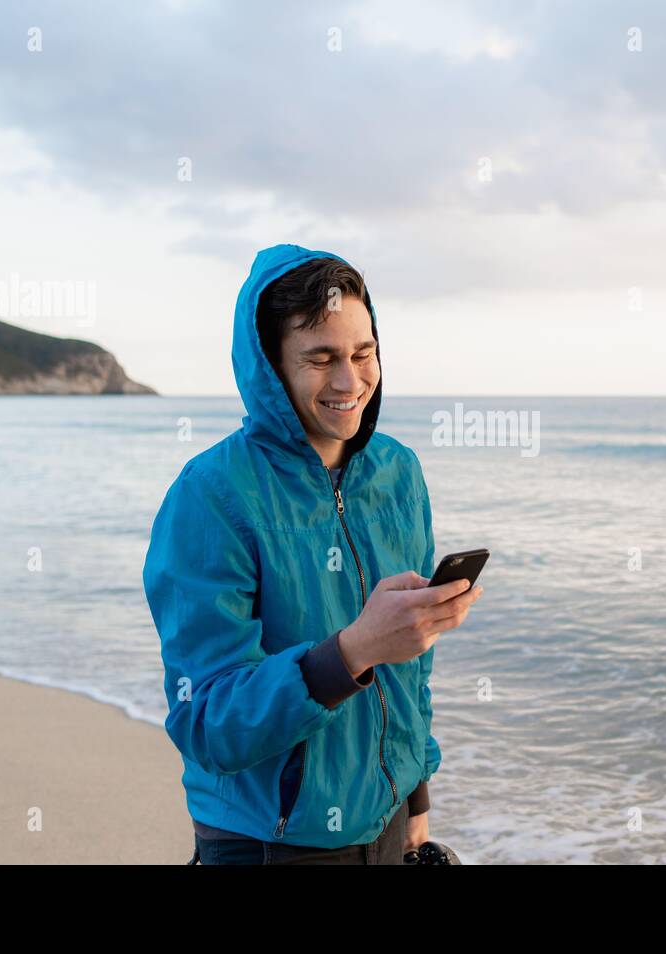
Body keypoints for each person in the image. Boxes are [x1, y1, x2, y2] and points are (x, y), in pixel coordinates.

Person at [143, 244, 483, 864]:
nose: (350, 381)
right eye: (321, 358)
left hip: (384, 823)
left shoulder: (398, 473)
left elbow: (411, 674)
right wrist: (355, 650)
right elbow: (206, 722)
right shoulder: (210, 496)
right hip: (269, 841)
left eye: (362, 353)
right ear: (272, 366)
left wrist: (416, 800)